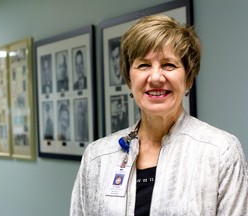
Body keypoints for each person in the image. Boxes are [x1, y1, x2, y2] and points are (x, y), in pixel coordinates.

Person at [70, 15, 248, 215]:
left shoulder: (220, 151)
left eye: (168, 65)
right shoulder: (98, 157)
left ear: (188, 79)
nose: (155, 78)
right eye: (144, 65)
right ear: (130, 79)